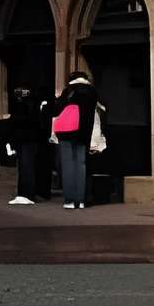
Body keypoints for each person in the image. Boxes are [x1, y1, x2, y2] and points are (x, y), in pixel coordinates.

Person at [51, 63, 100, 210]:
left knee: (68, 165)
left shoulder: (69, 90)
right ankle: (81, 200)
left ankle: (70, 200)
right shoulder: (92, 91)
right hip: (84, 133)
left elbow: (57, 109)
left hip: (67, 132)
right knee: (81, 164)